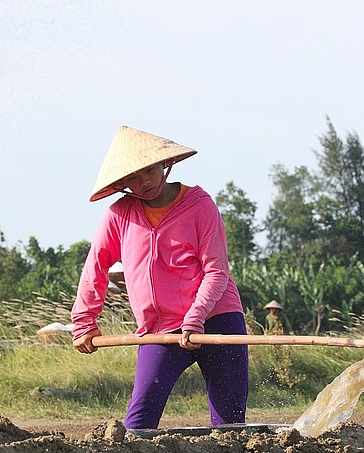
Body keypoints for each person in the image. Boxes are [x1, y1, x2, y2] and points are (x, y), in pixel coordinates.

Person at [71, 126, 248, 429]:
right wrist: (84, 321)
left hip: (217, 319)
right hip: (160, 331)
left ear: (165, 165)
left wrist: (196, 316)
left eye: (150, 171)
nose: (144, 183)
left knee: (229, 424)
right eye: (133, 178)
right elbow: (96, 267)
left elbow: (216, 271)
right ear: (123, 183)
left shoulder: (200, 206)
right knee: (139, 420)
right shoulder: (120, 215)